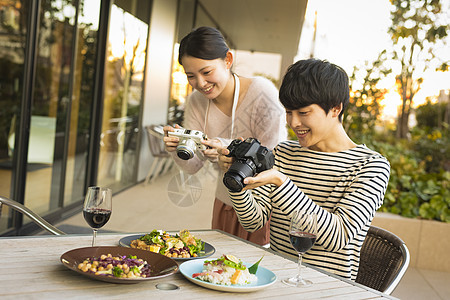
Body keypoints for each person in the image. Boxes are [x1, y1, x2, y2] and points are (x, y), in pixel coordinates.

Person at [218, 58, 391, 280]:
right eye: (289, 112)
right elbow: (253, 222)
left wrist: (282, 184)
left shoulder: (371, 167)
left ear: (335, 108)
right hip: (274, 280)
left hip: (327, 289)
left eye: (304, 113)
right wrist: (237, 182)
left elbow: (338, 236)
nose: (293, 122)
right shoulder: (284, 153)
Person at [163, 26, 287, 246]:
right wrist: (178, 148)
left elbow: (272, 158)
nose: (200, 83)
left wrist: (223, 147)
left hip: (262, 207)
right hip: (225, 201)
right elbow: (193, 166)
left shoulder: (262, 94)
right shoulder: (196, 101)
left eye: (207, 72)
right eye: (191, 76)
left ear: (228, 60)